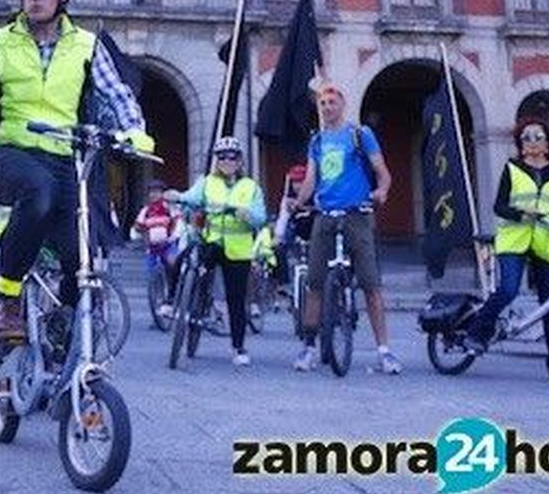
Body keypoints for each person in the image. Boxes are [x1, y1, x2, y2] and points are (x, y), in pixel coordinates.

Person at [0, 0, 153, 340]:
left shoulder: (87, 46)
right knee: (36, 193)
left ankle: (67, 321)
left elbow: (117, 95)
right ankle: (7, 300)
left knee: (81, 252)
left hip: (64, 160)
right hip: (10, 152)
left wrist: (133, 131)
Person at [291, 80, 400, 375]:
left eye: (332, 102)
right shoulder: (317, 142)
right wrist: (298, 201)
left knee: (371, 284)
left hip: (357, 214)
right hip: (325, 214)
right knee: (314, 282)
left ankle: (384, 351)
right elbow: (312, 179)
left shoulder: (359, 134)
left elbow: (383, 172)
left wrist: (382, 191)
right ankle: (309, 347)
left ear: (343, 104)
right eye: (323, 104)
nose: (327, 108)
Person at [461, 118, 549, 355]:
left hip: (548, 242)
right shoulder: (513, 168)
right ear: (520, 144)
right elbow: (499, 207)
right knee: (508, 290)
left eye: (538, 136)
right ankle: (477, 332)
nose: (532, 142)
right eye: (526, 137)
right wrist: (521, 214)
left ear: (548, 142)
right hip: (515, 239)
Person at [166, 137, 266, 366]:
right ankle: (179, 302)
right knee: (188, 260)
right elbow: (192, 197)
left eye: (232, 157)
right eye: (222, 157)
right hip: (213, 242)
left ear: (240, 161)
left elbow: (260, 216)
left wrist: (246, 214)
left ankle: (238, 347)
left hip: (238, 250)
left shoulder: (251, 187)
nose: (227, 161)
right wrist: (177, 196)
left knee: (236, 298)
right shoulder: (207, 182)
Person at [133, 178, 181, 318]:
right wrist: (139, 236)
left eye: (157, 192)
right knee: (152, 276)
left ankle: (173, 296)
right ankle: (157, 307)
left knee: (172, 266)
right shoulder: (146, 211)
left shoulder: (169, 209)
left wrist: (173, 237)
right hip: (152, 248)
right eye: (151, 192)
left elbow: (178, 223)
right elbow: (138, 227)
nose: (153, 195)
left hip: (168, 245)